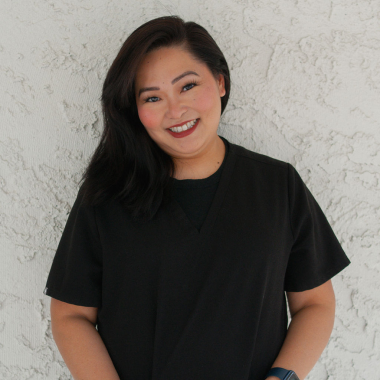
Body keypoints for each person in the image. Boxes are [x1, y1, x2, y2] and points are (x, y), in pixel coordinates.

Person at [43, 15, 350, 380]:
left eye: (187, 86)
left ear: (220, 82)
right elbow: (70, 315)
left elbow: (314, 304)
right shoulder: (107, 196)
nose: (175, 111)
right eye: (153, 97)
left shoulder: (277, 186)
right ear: (135, 112)